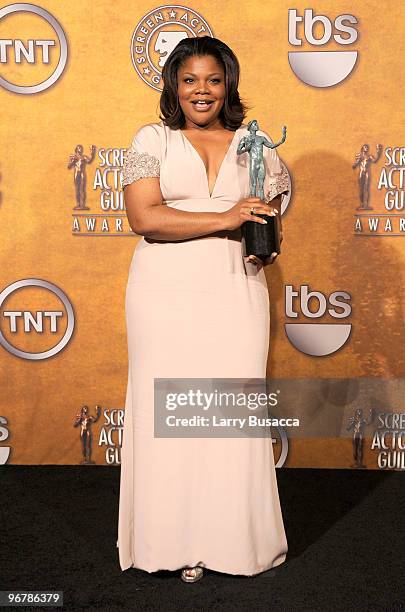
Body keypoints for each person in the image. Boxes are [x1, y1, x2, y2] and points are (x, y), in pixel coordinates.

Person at [117, 35, 289, 583]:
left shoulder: (255, 145)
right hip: (163, 295)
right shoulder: (152, 139)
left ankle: (232, 543)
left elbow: (272, 210)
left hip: (234, 290)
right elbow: (145, 218)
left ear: (228, 85)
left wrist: (265, 233)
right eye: (189, 80)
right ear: (174, 85)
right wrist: (229, 216)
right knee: (165, 412)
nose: (202, 91)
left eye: (213, 80)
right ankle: (168, 544)